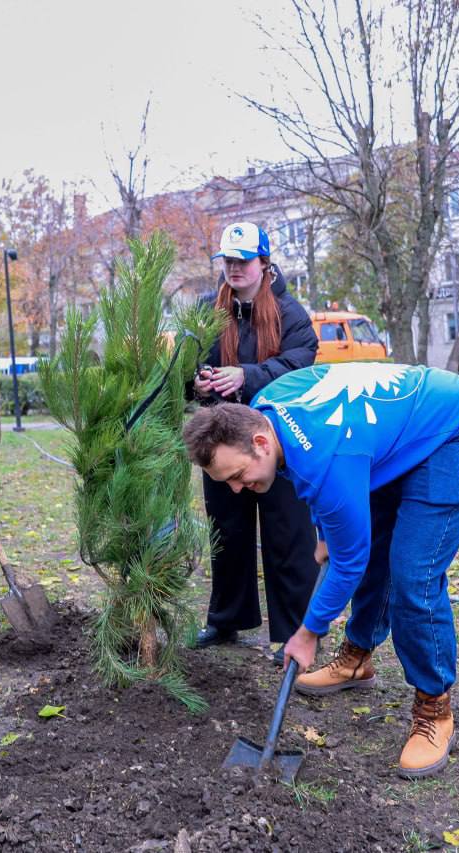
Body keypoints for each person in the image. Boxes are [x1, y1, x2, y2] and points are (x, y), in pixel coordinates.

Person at [182, 362, 459, 777]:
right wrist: (326, 530)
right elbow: (310, 474)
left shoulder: (324, 456)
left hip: (455, 431)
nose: (237, 489)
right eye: (227, 482)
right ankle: (357, 658)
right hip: (383, 438)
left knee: (413, 576)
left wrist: (307, 633)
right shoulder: (265, 407)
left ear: (260, 442)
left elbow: (349, 559)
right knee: (373, 548)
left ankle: (434, 707)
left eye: (238, 476)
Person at [190, 222, 320, 665]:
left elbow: (301, 365)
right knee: (227, 531)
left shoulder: (290, 312)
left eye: (243, 260)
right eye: (227, 260)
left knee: (289, 535)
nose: (234, 269)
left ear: (264, 262)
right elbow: (189, 367)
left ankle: (294, 633)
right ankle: (226, 619)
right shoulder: (209, 310)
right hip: (222, 441)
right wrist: (201, 382)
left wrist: (247, 374)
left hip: (279, 441)